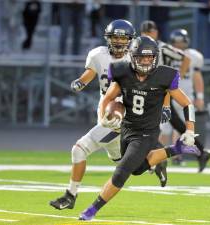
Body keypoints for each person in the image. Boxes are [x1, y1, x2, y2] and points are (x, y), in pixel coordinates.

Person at [49, 20, 167, 210]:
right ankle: (154, 161)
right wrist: (80, 82)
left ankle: (70, 195)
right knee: (119, 159)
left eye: (123, 38)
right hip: (105, 109)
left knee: (79, 149)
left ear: (130, 40)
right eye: (116, 37)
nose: (119, 42)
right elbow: (91, 72)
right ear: (108, 38)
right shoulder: (98, 55)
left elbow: (156, 84)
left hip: (124, 113)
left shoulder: (135, 58)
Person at [79, 36, 200, 221]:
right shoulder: (122, 71)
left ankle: (91, 210)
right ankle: (176, 149)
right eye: (142, 57)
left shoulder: (164, 75)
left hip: (147, 131)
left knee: (122, 171)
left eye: (150, 57)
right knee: (136, 170)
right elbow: (108, 98)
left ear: (155, 57)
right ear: (132, 57)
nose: (146, 61)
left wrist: (189, 130)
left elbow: (187, 103)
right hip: (126, 128)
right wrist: (104, 118)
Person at [141, 20, 210, 172]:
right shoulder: (139, 45)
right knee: (175, 124)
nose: (147, 35)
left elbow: (186, 59)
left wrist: (177, 78)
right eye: (144, 32)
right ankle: (201, 152)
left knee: (155, 125)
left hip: (160, 91)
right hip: (150, 91)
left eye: (150, 32)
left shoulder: (163, 47)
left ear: (156, 33)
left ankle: (153, 160)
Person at [159, 28, 210, 170]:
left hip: (184, 95)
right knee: (170, 127)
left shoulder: (191, 56)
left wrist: (200, 96)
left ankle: (169, 157)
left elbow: (196, 76)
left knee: (179, 128)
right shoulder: (166, 52)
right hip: (169, 94)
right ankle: (199, 153)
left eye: (182, 42)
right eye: (176, 43)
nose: (179, 45)